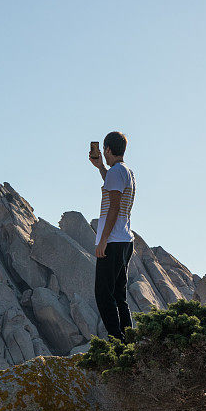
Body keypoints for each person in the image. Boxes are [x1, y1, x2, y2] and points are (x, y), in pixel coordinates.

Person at [88, 131, 136, 341]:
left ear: (107, 149)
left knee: (103, 294)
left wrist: (103, 240)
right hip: (125, 240)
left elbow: (113, 208)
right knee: (119, 295)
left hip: (114, 241)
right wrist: (100, 168)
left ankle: (116, 340)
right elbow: (113, 184)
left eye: (104, 151)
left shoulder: (117, 172)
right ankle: (128, 339)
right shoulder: (125, 171)